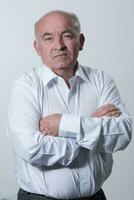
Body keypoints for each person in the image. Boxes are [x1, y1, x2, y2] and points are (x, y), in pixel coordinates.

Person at [7, 10, 132, 200]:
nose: (59, 45)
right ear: (37, 47)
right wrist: (90, 127)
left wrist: (64, 125)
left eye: (67, 36)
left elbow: (122, 134)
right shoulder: (25, 87)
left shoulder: (101, 81)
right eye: (48, 38)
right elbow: (31, 148)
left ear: (80, 41)